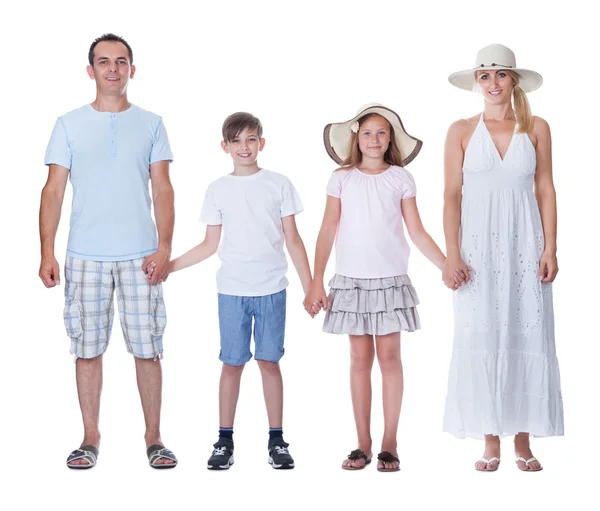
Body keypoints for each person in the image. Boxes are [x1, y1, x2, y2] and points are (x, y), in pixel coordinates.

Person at [39, 33, 177, 469]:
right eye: (104, 61)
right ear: (90, 70)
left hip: (141, 255)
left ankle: (154, 438)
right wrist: (47, 251)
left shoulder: (152, 122)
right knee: (87, 349)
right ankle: (89, 437)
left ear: (132, 70)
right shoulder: (68, 124)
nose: (113, 69)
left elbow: (163, 188)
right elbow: (53, 191)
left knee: (147, 348)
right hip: (85, 256)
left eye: (121, 61)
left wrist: (165, 246)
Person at [305, 103, 449, 472]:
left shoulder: (401, 179)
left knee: (389, 359)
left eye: (382, 132)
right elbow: (327, 228)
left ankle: (390, 441)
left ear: (391, 139)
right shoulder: (341, 178)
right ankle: (362, 442)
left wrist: (446, 263)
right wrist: (316, 281)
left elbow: (415, 230)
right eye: (367, 132)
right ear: (357, 137)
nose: (374, 139)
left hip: (389, 280)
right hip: (350, 281)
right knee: (359, 360)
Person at [165, 112, 312, 470]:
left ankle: (276, 439)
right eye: (236, 141)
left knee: (269, 361)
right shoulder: (218, 189)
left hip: (272, 289)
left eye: (251, 139)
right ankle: (224, 440)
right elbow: (209, 244)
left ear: (262, 143)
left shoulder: (278, 183)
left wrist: (311, 288)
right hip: (232, 290)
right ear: (225, 146)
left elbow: (293, 240)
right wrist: (171, 266)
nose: (244, 147)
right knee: (231, 363)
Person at [442, 44, 564, 472]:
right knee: (482, 333)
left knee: (523, 331)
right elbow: (451, 195)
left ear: (514, 80)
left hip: (523, 244)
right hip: (475, 248)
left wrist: (549, 247)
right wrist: (450, 254)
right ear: (476, 82)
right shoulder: (459, 130)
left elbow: (545, 188)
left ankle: (524, 441)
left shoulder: (536, 127)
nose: (492, 83)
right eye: (484, 75)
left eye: (500, 75)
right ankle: (490, 440)